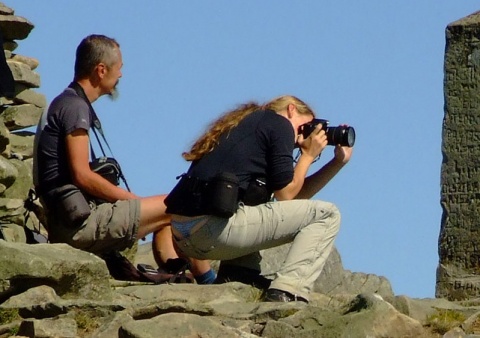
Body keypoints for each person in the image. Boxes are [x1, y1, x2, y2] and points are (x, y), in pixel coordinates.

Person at [34, 34, 213, 284]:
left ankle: (173, 271)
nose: (121, 75)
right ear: (101, 70)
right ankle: (209, 279)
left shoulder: (66, 103)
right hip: (78, 227)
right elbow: (81, 174)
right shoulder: (74, 108)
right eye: (119, 68)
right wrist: (133, 202)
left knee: (166, 210)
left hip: (72, 219)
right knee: (178, 204)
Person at [165, 95, 353, 302]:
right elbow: (287, 194)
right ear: (291, 110)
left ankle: (239, 274)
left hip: (185, 234)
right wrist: (308, 155)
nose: (306, 135)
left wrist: (337, 163)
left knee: (258, 204)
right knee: (327, 214)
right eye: (306, 127)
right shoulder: (279, 123)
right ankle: (289, 290)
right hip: (210, 229)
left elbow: (294, 198)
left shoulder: (253, 126)